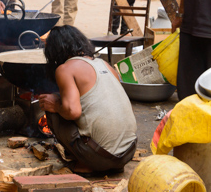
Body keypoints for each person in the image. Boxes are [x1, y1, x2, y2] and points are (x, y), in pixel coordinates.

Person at [38, 25, 137, 174]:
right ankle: (107, 163)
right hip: (128, 153)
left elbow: (73, 111)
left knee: (52, 104)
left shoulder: (65, 69)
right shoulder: (105, 65)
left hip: (101, 157)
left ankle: (85, 163)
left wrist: (56, 105)